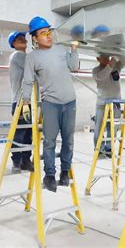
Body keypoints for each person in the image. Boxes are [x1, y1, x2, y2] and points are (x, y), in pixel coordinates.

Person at [22, 16, 80, 192]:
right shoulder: (32, 57)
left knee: (69, 140)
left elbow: (74, 66)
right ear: (34, 38)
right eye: (43, 33)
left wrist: (74, 48)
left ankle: (64, 173)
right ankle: (49, 176)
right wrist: (25, 102)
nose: (48, 36)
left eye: (49, 32)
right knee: (49, 141)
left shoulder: (61, 49)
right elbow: (27, 81)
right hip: (51, 104)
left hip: (70, 102)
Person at [7, 31, 34, 173]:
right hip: (20, 102)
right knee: (20, 133)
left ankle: (26, 161)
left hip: (28, 101)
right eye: (18, 39)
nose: (23, 40)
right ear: (13, 44)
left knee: (29, 133)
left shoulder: (26, 57)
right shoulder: (18, 56)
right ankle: (16, 162)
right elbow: (35, 69)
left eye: (23, 38)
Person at [92, 54, 125, 157]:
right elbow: (103, 76)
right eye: (103, 57)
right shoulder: (96, 71)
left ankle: (109, 148)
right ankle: (99, 149)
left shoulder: (115, 67)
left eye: (107, 57)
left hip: (115, 102)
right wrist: (110, 65)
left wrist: (117, 52)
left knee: (113, 127)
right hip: (102, 103)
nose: (106, 59)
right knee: (99, 127)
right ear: (98, 59)